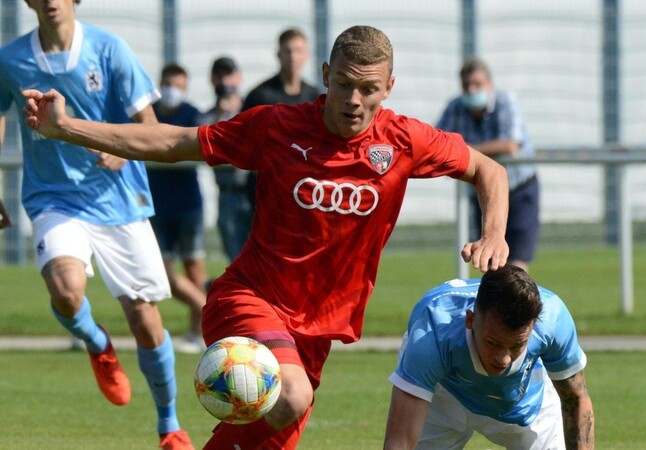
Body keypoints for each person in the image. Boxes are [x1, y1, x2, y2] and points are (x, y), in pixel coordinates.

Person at [21, 25, 510, 450]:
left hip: (315, 332)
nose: (353, 100)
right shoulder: (277, 126)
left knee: (274, 428)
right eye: (343, 84)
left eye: (368, 89)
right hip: (250, 299)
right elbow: (174, 142)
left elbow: (489, 170)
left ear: (389, 88)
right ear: (325, 74)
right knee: (291, 395)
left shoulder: (405, 140)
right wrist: (67, 129)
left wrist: (493, 234)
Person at [0, 1, 194, 449]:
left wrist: (123, 148)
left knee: (146, 323)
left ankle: (170, 426)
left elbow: (149, 125)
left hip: (119, 200)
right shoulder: (10, 60)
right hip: (54, 197)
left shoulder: (110, 50)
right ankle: (95, 340)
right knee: (66, 291)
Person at [384, 265, 595, 450]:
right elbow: (399, 443)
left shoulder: (553, 319)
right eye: (493, 343)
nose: (504, 359)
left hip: (524, 400)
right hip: (444, 393)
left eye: (517, 345)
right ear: (470, 320)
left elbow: (575, 399)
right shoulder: (431, 334)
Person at [437, 57, 539, 272]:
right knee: (489, 259)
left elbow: (510, 144)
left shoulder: (505, 102)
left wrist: (466, 154)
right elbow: (437, 146)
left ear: (490, 85)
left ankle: (516, 304)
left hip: (518, 188)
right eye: (467, 86)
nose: (472, 91)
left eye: (478, 85)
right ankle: (494, 304)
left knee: (516, 261)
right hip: (482, 192)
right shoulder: (455, 107)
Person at [148, 63, 207, 353]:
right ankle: (209, 309)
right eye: (169, 83)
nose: (173, 90)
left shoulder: (193, 114)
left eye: (179, 85)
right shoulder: (147, 114)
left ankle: (197, 333)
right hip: (156, 206)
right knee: (163, 275)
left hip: (188, 205)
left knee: (195, 271)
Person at [242, 27, 321, 210]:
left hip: (303, 192)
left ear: (306, 55)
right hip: (265, 192)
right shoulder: (259, 96)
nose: (293, 57)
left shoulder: (314, 97)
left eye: (298, 51)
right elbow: (245, 141)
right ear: (278, 54)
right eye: (288, 51)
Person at [198, 56, 252, 262]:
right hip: (227, 195)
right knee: (238, 261)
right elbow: (204, 141)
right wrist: (220, 114)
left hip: (255, 193)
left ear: (239, 78)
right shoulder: (208, 116)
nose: (224, 81)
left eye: (229, 75)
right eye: (219, 76)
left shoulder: (251, 107)